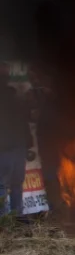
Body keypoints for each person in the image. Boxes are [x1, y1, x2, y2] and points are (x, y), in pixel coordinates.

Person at [0, 84, 31, 217]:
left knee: (5, 184)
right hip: (13, 148)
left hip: (10, 148)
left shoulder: (15, 104)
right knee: (12, 184)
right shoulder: (17, 103)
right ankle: (12, 217)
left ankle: (7, 218)